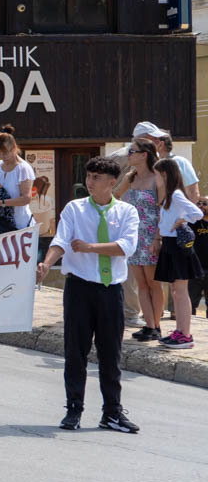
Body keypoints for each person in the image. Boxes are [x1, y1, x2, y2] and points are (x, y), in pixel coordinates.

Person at [38, 157, 140, 433]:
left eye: (97, 177)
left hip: (111, 290)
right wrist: (46, 264)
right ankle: (74, 409)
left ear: (112, 182)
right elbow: (61, 241)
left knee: (111, 354)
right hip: (79, 288)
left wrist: (89, 247)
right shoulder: (75, 208)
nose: (90, 182)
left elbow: (126, 247)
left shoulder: (127, 211)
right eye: (89, 176)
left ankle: (112, 413)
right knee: (75, 351)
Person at [116, 139, 165, 342]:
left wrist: (157, 238)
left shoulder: (157, 178)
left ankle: (156, 325)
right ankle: (149, 325)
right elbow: (115, 196)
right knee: (141, 283)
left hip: (151, 235)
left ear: (144, 154)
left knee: (153, 283)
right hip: (134, 236)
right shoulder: (130, 177)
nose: (128, 155)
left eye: (132, 151)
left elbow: (163, 210)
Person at [152, 157, 201, 350]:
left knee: (180, 292)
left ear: (164, 175)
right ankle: (180, 331)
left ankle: (185, 335)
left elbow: (197, 213)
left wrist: (182, 220)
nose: (155, 179)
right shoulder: (170, 196)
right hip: (170, 246)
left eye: (157, 175)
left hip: (177, 247)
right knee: (176, 291)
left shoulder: (176, 195)